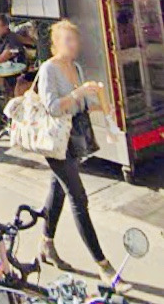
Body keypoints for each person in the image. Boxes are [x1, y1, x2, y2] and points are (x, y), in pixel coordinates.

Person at [37, 19, 115, 282]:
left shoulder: (76, 67)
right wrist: (78, 92)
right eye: (67, 40)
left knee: (57, 189)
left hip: (74, 139)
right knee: (78, 197)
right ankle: (102, 264)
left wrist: (103, 104)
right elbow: (52, 107)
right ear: (56, 43)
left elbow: (82, 104)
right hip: (56, 142)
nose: (73, 45)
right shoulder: (49, 69)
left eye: (75, 39)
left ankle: (46, 244)